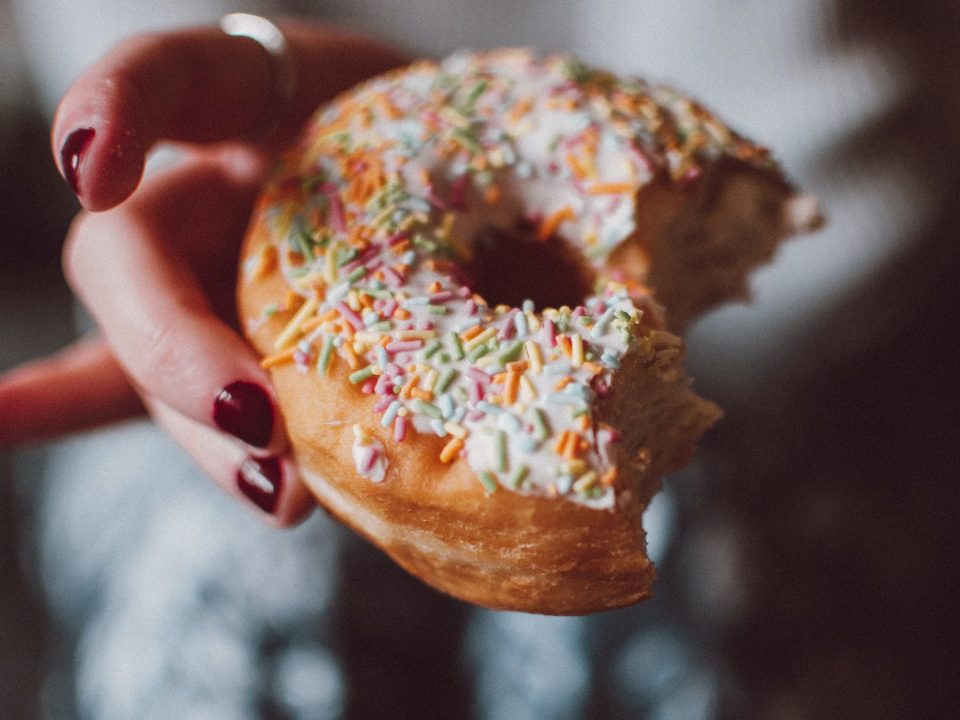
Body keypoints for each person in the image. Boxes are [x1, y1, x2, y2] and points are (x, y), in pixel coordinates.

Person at [3, 2, 957, 718]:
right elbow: (138, 66)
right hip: (293, 266)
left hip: (851, 343)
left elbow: (853, 178)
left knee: (736, 605)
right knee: (226, 603)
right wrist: (216, 173)